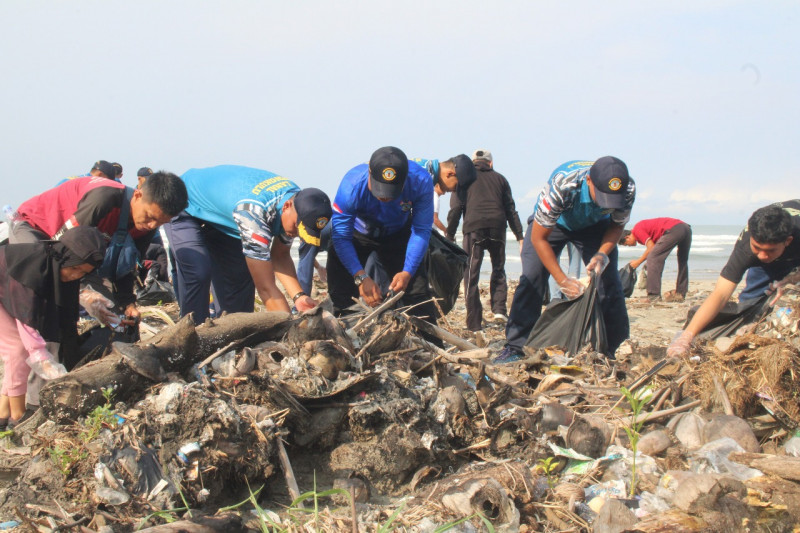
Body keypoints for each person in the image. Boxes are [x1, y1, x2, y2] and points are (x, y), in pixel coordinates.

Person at [500, 157, 636, 361]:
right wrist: (562, 280)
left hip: (596, 227)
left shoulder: (627, 190)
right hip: (554, 224)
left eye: (610, 201)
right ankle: (516, 346)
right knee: (532, 277)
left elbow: (616, 226)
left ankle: (613, 348)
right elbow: (539, 238)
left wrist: (601, 254)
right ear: (589, 181)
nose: (604, 203)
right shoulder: (563, 184)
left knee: (609, 283)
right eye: (601, 197)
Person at [166, 165, 332, 323]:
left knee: (239, 290)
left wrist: (299, 296)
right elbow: (266, 289)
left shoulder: (297, 205)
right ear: (287, 206)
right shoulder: (255, 213)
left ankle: (227, 339)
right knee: (198, 271)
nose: (295, 233)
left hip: (225, 217)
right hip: (186, 201)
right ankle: (193, 334)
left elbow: (279, 256)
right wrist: (289, 330)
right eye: (296, 227)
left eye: (302, 231)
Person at [0, 226, 107, 428]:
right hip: (6, 290)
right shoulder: (33, 269)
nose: (76, 275)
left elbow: (64, 315)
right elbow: (27, 318)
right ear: (66, 257)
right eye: (75, 269)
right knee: (16, 350)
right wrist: (42, 358)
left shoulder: (56, 265)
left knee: (19, 351)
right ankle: (18, 417)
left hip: (6, 290)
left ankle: (3, 413)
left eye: (83, 272)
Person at [668, 201, 800, 357]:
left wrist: (792, 280)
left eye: (769, 250)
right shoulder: (745, 247)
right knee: (752, 304)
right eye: (757, 248)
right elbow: (721, 294)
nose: (763, 256)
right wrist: (686, 337)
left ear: (788, 241)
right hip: (769, 257)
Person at [328, 146, 437, 321]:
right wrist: (360, 276)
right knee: (342, 293)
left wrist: (408, 272)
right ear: (370, 172)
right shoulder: (351, 185)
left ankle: (430, 344)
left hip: (398, 233)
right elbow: (341, 237)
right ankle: (346, 338)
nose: (385, 197)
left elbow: (421, 230)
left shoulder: (420, 181)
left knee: (417, 293)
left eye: (392, 191)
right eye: (379, 189)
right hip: (357, 235)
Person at [446, 149, 524, 332]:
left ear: (473, 163)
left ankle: (474, 322)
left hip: (474, 228)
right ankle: (499, 311)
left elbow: (456, 208)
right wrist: (520, 236)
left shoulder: (464, 178)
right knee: (499, 268)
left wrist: (449, 235)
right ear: (490, 163)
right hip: (498, 227)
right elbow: (511, 210)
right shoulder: (501, 179)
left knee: (471, 274)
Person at [619, 217, 692, 302]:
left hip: (674, 229)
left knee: (653, 258)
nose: (629, 246)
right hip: (686, 228)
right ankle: (680, 293)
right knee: (682, 261)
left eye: (626, 244)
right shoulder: (644, 231)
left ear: (627, 237)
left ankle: (653, 295)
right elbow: (657, 249)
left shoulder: (637, 230)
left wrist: (638, 262)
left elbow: (651, 248)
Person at [412, 156, 477, 233]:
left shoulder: (426, 171)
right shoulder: (423, 178)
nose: (453, 191)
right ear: (450, 174)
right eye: (456, 186)